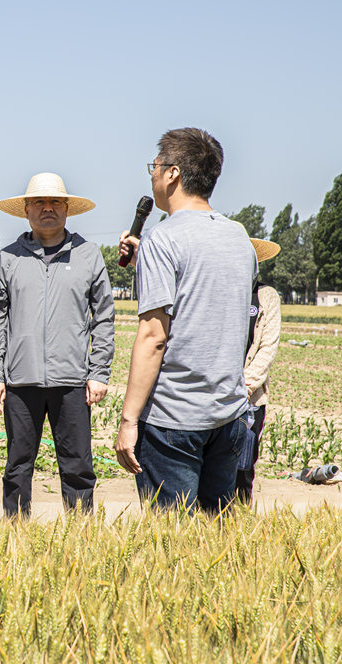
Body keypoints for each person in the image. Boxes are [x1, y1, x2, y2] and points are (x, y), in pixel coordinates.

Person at [114, 128, 256, 513]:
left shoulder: (163, 238)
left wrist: (129, 420)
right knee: (215, 537)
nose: (153, 176)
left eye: (155, 168)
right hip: (228, 413)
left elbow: (154, 337)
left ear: (173, 173)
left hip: (174, 417)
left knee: (172, 545)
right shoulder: (239, 237)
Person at [0, 172, 115, 517]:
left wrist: (99, 371)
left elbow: (103, 316)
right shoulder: (9, 257)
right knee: (17, 466)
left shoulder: (88, 255)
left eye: (55, 202)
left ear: (67, 209)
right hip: (20, 379)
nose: (48, 209)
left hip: (72, 379)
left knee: (77, 466)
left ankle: (80, 537)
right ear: (26, 210)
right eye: (39, 203)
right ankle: (15, 536)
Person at [238, 239, 282, 501]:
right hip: (216, 395)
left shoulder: (266, 295)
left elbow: (268, 346)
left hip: (249, 397)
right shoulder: (219, 290)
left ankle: (239, 521)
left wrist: (246, 385)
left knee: (242, 469)